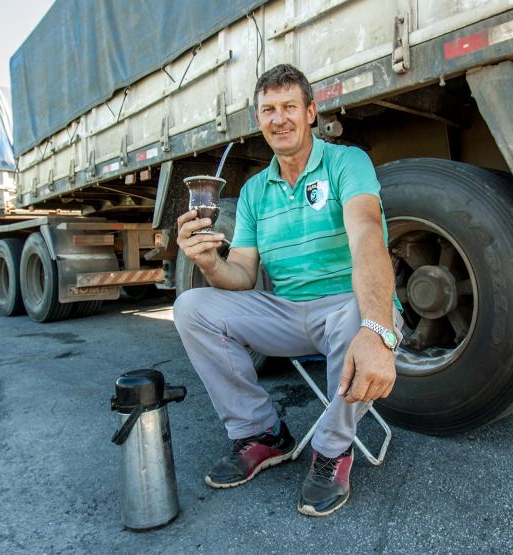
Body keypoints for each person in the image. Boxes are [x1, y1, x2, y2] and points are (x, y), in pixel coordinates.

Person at [172, 63, 402, 517]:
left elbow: (367, 238)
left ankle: (332, 450)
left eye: (289, 107)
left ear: (311, 112)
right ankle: (262, 434)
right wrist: (206, 261)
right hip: (288, 312)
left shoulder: (346, 162)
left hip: (348, 308)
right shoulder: (256, 190)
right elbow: (240, 274)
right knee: (192, 305)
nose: (279, 119)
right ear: (258, 120)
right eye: (268, 110)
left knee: (360, 316)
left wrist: (378, 329)